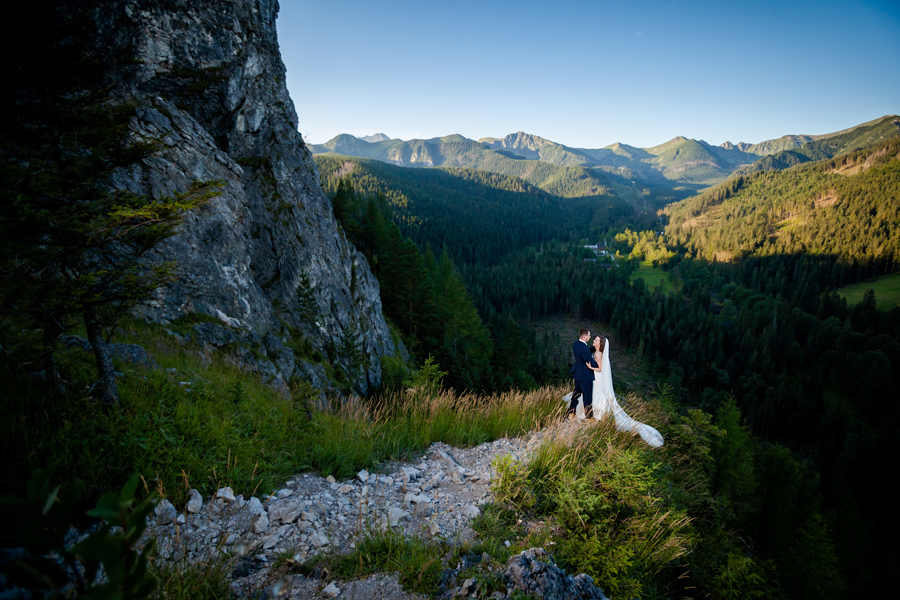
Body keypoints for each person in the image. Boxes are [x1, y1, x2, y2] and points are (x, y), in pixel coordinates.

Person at [564, 335, 664, 448]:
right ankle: (589, 413)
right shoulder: (595, 351)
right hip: (594, 377)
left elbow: (600, 369)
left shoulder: (598, 354)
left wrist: (590, 368)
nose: (594, 340)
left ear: (600, 344)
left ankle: (592, 413)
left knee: (592, 394)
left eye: (596, 340)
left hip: (596, 376)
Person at [568, 328, 598, 420]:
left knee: (576, 395)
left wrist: (592, 349)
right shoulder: (584, 349)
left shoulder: (576, 344)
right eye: (589, 335)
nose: (590, 336)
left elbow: (583, 352)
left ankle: (571, 413)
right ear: (584, 336)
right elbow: (591, 362)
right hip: (585, 376)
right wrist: (600, 364)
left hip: (578, 374)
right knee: (587, 397)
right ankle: (589, 417)